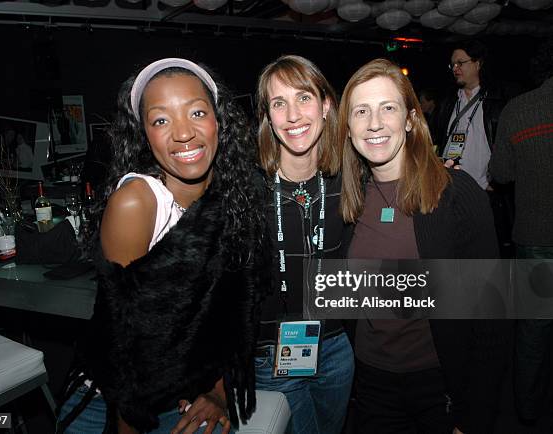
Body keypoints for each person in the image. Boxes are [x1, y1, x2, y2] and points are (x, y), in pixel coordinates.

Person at [56, 58, 270, 434]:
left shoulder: (238, 194)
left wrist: (219, 390)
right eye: (160, 120)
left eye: (197, 112)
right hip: (114, 406)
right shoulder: (137, 202)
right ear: (144, 134)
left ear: (219, 120)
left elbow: (230, 315)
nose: (183, 133)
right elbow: (125, 343)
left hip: (186, 393)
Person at [339, 58, 511, 434]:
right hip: (370, 385)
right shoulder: (346, 201)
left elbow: (492, 317)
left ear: (411, 119)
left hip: (440, 386)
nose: (374, 123)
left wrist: (474, 415)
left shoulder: (457, 194)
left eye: (388, 107)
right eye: (361, 111)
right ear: (348, 129)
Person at [255, 54, 354, 434]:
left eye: (304, 97)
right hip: (271, 356)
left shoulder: (349, 178)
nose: (293, 115)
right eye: (279, 103)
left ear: (327, 105)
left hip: (336, 347)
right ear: (269, 117)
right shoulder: (247, 188)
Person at [489, 38, 553, 425]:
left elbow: (501, 174)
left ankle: (528, 416)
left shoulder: (520, 109)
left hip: (536, 238)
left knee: (533, 336)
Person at [432, 40, 513, 257]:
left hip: (485, 193)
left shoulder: (497, 101)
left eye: (461, 63)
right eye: (452, 65)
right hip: (451, 191)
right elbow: (439, 142)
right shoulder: (449, 103)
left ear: (478, 64)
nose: (455, 69)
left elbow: (508, 145)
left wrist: (496, 181)